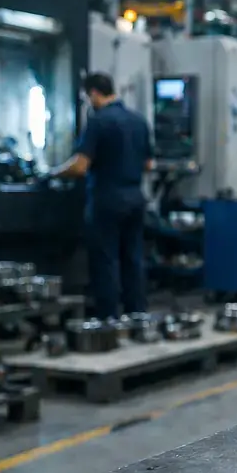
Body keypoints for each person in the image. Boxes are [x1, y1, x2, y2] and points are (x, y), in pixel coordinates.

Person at [48, 72, 152, 320]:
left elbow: (80, 166)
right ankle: (137, 317)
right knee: (133, 260)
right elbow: (148, 164)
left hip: (108, 199)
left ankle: (108, 320)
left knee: (105, 261)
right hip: (136, 198)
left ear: (94, 93)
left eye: (87, 97)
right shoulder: (139, 121)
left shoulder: (99, 122)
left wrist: (53, 173)